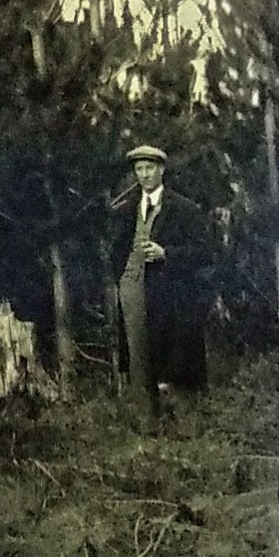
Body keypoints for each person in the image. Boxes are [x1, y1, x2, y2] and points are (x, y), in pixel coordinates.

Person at [111, 144, 210, 422]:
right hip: (132, 288)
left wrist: (167, 253)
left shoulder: (183, 208)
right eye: (139, 169)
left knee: (172, 359)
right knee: (137, 355)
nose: (144, 175)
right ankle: (147, 426)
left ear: (161, 170)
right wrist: (121, 276)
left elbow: (205, 252)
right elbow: (116, 248)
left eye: (149, 168)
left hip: (169, 293)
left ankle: (180, 425)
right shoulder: (126, 209)